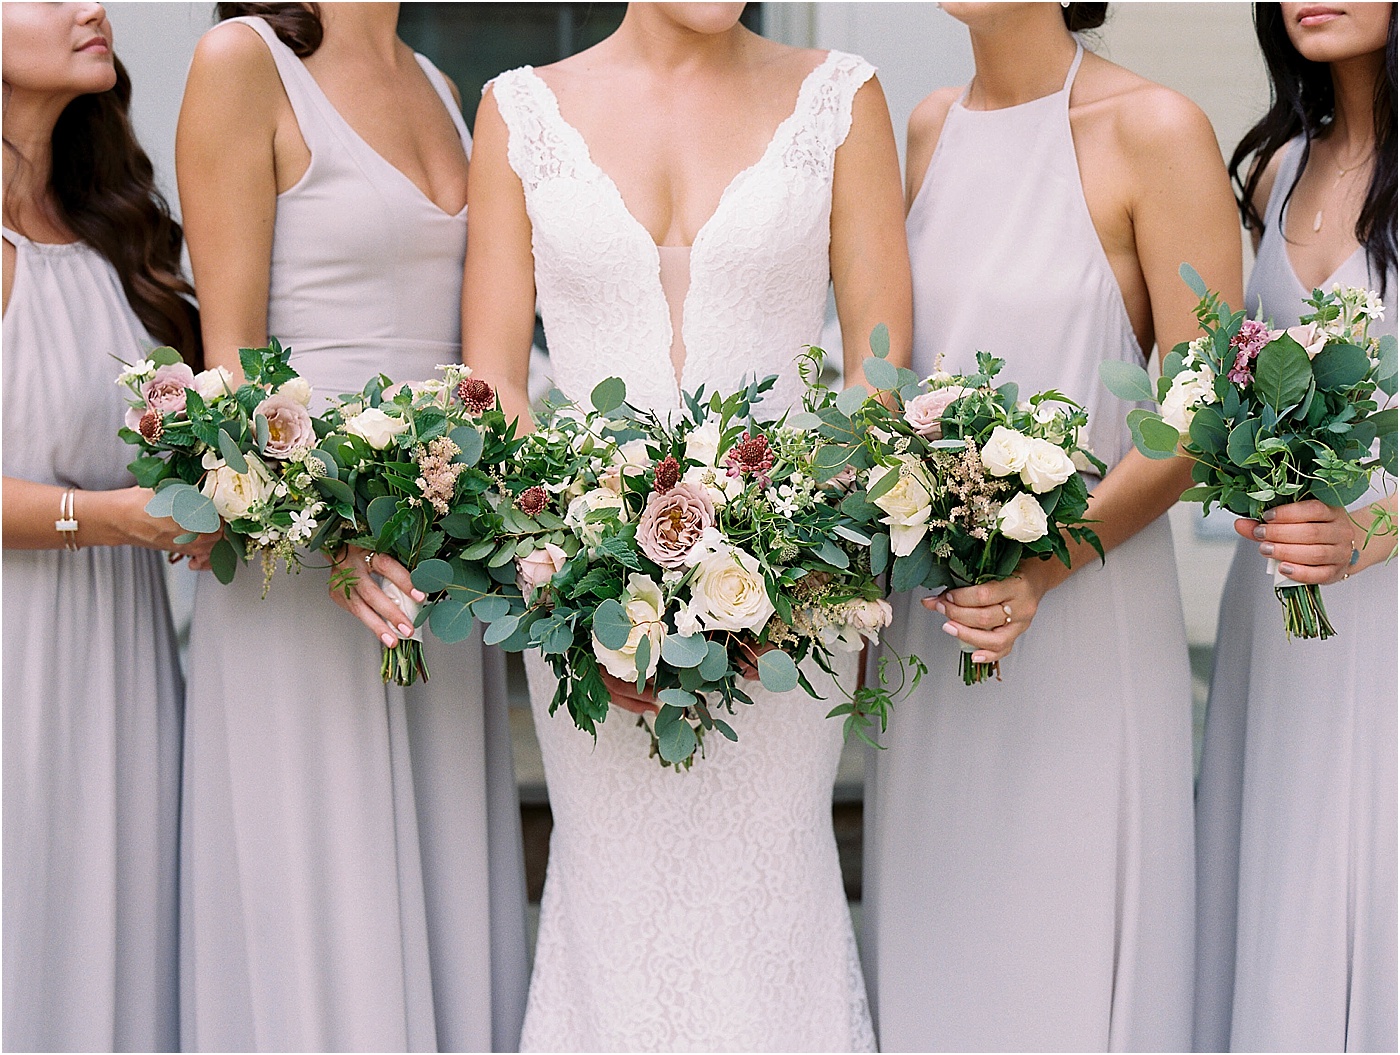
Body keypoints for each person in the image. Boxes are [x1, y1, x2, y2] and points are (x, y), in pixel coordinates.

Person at [462, 2, 911, 1048]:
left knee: (767, 906)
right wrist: (581, 588)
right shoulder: (517, 112)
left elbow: (874, 380)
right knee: (614, 911)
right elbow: (493, 385)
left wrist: (784, 568)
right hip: (579, 601)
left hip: (788, 602)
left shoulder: (842, 97)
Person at [862, 2, 1244, 1049]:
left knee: (1067, 963)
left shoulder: (1153, 127)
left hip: (1084, 613)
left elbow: (1197, 407)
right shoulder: (928, 125)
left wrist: (1042, 569)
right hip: (935, 630)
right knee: (941, 951)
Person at [175, 3, 526, 1049]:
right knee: (319, 897)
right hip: (307, 567)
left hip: (434, 562)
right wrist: (331, 531)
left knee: (441, 881)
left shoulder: (441, 83)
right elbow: (229, 363)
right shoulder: (244, 61)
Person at [1, 3, 215, 1049]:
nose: (92, 8)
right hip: (18, 660)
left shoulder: (108, 221)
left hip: (124, 656)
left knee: (121, 951)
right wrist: (114, 516)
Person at [1194, 4, 1397, 1050]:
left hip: (1386, 601)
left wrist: (1372, 532)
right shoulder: (1276, 170)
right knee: (1277, 877)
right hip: (1277, 604)